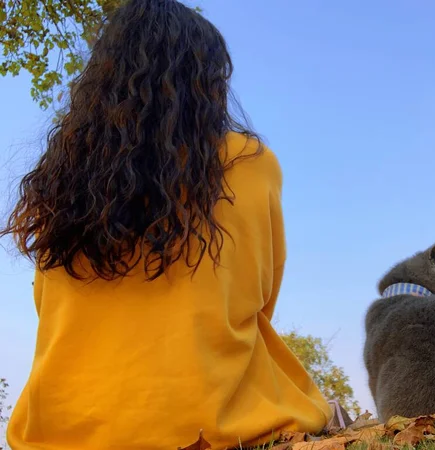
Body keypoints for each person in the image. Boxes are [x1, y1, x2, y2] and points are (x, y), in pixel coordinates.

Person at [2, 0, 331, 448]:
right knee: (317, 404)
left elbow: (52, 311)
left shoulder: (59, 181)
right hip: (212, 424)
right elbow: (256, 298)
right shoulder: (250, 164)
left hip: (58, 433)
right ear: (207, 84)